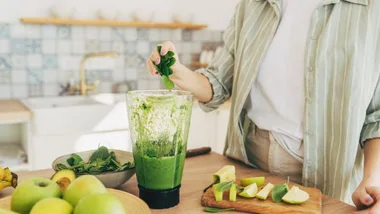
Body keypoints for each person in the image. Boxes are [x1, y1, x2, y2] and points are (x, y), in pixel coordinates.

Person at [147, 0, 380, 211]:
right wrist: (179, 73)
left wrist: (372, 179)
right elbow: (218, 83)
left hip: (327, 177)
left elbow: (376, 117)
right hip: (247, 162)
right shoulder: (252, 3)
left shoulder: (372, 10)